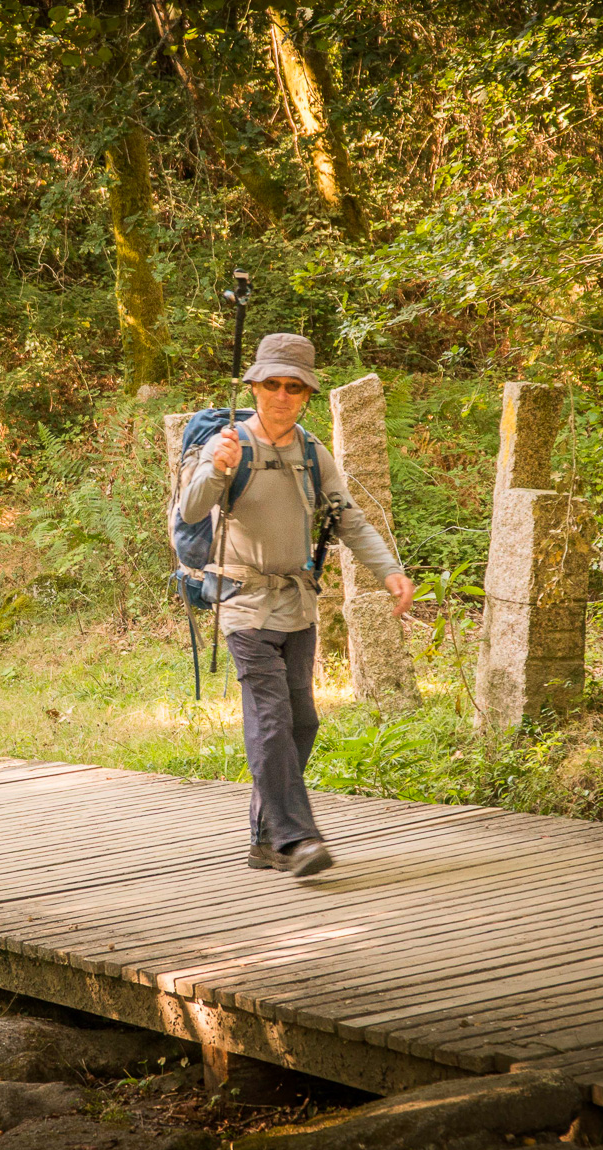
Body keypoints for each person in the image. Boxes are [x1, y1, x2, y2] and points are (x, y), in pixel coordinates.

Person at [177, 333, 414, 878]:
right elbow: (192, 510)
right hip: (242, 602)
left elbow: (348, 519)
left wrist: (390, 571)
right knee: (271, 716)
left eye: (293, 387)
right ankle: (296, 837)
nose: (281, 395)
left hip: (298, 603)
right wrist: (218, 469)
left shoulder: (311, 452)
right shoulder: (228, 445)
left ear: (306, 394)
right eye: (271, 385)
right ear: (254, 387)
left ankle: (265, 836)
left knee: (302, 720)